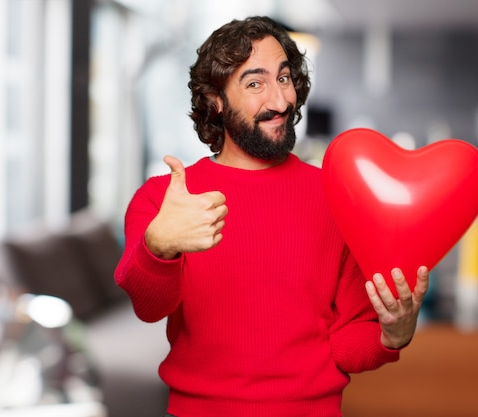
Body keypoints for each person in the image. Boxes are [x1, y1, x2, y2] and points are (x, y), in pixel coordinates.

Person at [114, 15, 429, 417]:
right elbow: (148, 306)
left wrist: (392, 334)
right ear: (215, 100)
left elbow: (347, 344)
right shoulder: (166, 198)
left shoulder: (337, 196)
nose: (280, 101)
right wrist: (159, 246)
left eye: (284, 79)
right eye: (254, 83)